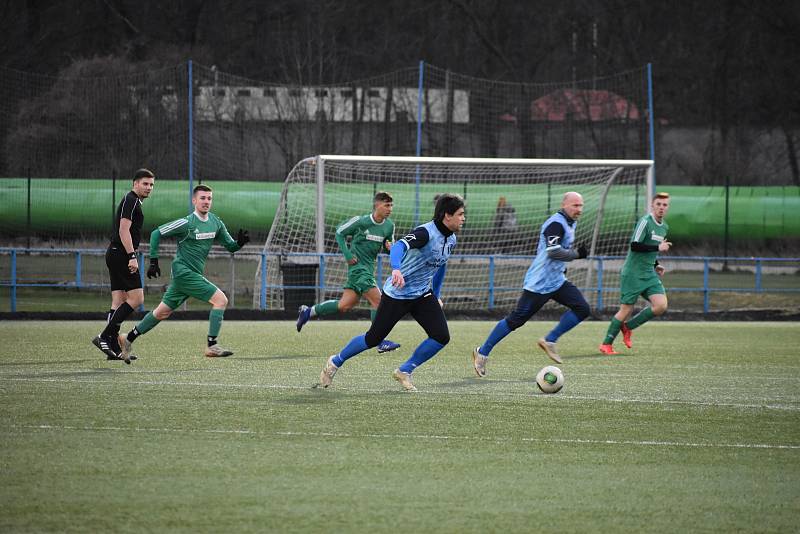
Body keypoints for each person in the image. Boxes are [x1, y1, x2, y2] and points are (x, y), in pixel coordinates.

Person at [318, 193, 466, 392]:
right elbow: (398, 246)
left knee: (441, 336)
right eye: (460, 214)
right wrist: (396, 268)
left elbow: (440, 266)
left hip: (422, 294)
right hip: (398, 294)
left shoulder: (451, 239)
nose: (463, 218)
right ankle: (335, 362)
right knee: (373, 339)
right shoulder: (425, 233)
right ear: (447, 216)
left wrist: (436, 294)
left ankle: (404, 371)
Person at [118, 185, 250, 359]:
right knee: (221, 300)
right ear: (194, 200)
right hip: (183, 273)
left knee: (161, 312)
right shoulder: (187, 223)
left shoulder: (216, 222)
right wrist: (154, 261)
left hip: (191, 275)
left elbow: (230, 246)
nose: (206, 202)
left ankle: (128, 338)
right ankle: (212, 345)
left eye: (209, 198)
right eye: (202, 198)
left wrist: (239, 243)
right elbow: (156, 233)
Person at [471, 192, 590, 377]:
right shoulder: (556, 223)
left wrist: (564, 267)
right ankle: (482, 352)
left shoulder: (569, 223)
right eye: (575, 205)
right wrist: (576, 255)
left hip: (557, 280)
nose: (579, 210)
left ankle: (550, 340)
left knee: (582, 308)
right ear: (564, 204)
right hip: (540, 282)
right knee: (515, 320)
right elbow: (553, 252)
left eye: (581, 206)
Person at [296, 191, 401, 354]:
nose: (390, 209)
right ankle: (379, 341)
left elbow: (389, 248)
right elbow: (340, 233)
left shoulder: (389, 226)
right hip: (358, 269)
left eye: (391, 205)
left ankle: (308, 311)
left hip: (367, 271)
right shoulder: (361, 222)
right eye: (387, 205)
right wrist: (347, 255)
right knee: (379, 302)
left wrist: (389, 249)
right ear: (377, 205)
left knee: (344, 305)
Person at [92, 168, 155, 363]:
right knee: (137, 298)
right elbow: (123, 230)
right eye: (145, 183)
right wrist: (132, 255)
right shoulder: (131, 199)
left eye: (152, 185)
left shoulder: (132, 200)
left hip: (115, 253)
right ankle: (104, 336)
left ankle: (111, 348)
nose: (149, 187)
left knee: (118, 301)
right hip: (121, 254)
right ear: (135, 183)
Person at [600, 192, 672, 354]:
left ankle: (628, 327)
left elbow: (649, 250)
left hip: (648, 273)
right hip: (632, 273)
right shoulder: (645, 222)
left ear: (668, 208)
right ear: (653, 205)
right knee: (626, 309)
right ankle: (606, 344)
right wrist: (658, 248)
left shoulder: (664, 227)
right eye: (658, 204)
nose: (661, 207)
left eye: (665, 205)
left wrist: (656, 264)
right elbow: (635, 245)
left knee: (661, 305)